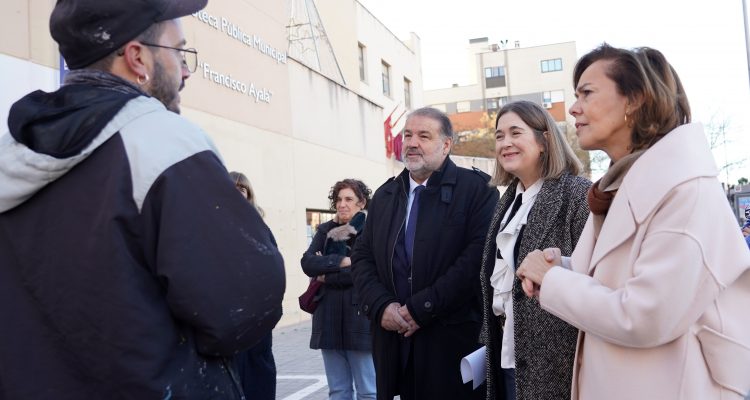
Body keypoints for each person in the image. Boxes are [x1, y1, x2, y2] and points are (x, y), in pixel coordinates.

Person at [0, 1, 286, 399]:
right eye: (179, 52)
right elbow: (244, 304)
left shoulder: (11, 153)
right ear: (138, 58)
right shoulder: (163, 143)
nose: (185, 70)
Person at [516, 44, 750, 400]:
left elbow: (646, 315)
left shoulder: (683, 189)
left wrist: (553, 280)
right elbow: (618, 278)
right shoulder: (621, 185)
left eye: (587, 93)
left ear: (635, 100)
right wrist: (560, 267)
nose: (574, 108)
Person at [352, 107, 499, 400]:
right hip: (394, 342)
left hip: (450, 343)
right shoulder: (385, 195)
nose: (412, 143)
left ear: (446, 145)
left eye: (423, 136)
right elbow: (362, 257)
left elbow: (476, 259)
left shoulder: (477, 190)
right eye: (407, 135)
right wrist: (381, 306)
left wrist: (423, 308)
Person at [478, 101, 591, 400]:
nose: (505, 143)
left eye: (516, 133)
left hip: (556, 362)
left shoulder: (577, 194)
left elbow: (596, 276)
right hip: (506, 354)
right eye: (499, 136)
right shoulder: (507, 202)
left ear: (544, 141)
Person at [301, 179, 376, 400]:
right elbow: (307, 263)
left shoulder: (371, 232)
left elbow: (364, 271)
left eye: (349, 199)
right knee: (338, 391)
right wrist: (343, 261)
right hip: (328, 320)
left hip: (359, 320)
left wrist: (325, 273)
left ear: (361, 203)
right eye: (339, 199)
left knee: (368, 391)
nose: (342, 204)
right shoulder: (325, 230)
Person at [229, 171, 277, 400]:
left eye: (242, 188)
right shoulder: (212, 226)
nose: (238, 192)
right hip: (228, 317)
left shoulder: (260, 228)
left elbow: (273, 267)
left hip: (257, 316)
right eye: (233, 187)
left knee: (259, 374)